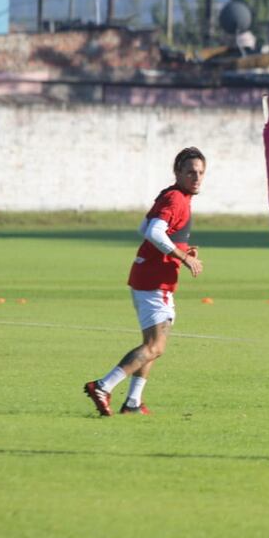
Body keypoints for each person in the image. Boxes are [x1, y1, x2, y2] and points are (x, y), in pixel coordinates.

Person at [82, 147, 206, 416]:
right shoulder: (176, 199)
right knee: (155, 346)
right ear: (178, 173)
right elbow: (153, 231)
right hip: (154, 279)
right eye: (190, 172)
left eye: (200, 172)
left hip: (149, 276)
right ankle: (103, 386)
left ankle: (133, 403)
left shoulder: (172, 195)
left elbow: (144, 228)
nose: (196, 177)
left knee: (152, 345)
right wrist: (183, 256)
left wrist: (180, 247)